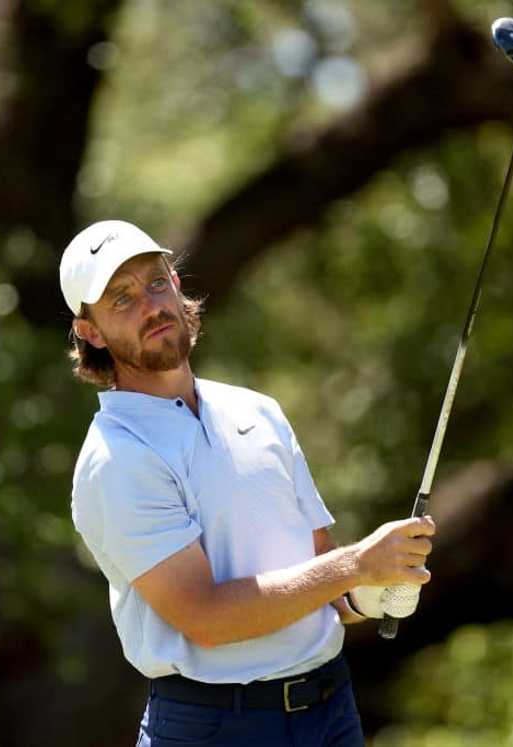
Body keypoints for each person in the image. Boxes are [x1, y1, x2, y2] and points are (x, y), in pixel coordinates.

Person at [61, 220, 436, 746]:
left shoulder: (257, 411)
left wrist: (374, 591)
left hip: (330, 713)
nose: (151, 306)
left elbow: (320, 576)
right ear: (91, 332)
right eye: (121, 299)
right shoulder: (116, 459)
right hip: (216, 727)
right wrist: (356, 563)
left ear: (175, 281)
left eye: (155, 282)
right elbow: (206, 618)